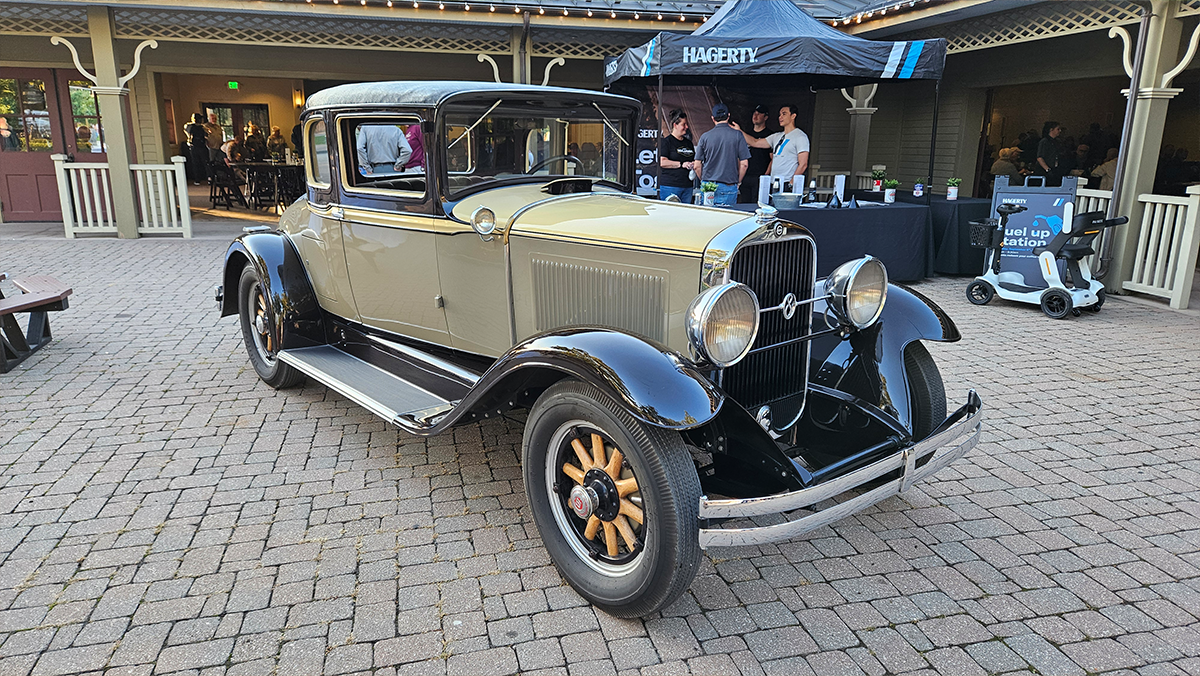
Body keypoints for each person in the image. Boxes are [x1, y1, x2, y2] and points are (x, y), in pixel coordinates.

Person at [736, 104, 809, 191]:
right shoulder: (776, 136)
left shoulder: (800, 136)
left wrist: (791, 183)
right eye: (779, 114)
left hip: (787, 182)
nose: (780, 117)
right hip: (773, 183)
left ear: (793, 116)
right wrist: (739, 131)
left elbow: (803, 164)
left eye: (784, 114)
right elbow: (755, 142)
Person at [693, 103, 749, 207]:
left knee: (707, 220)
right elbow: (744, 164)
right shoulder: (737, 135)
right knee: (727, 221)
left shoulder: (704, 137)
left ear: (713, 118)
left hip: (708, 186)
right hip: (728, 186)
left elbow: (697, 166)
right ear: (728, 116)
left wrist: (704, 181)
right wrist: (738, 182)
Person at [657, 109, 695, 203]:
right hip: (670, 186)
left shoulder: (689, 143)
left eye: (687, 124)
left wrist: (693, 164)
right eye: (683, 124)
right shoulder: (666, 142)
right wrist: (681, 164)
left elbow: (693, 160)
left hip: (687, 186)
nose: (686, 127)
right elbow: (662, 162)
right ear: (675, 125)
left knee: (685, 215)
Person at [738, 104, 773, 203]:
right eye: (754, 113)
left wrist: (765, 175)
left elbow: (773, 158)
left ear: (765, 117)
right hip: (745, 176)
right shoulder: (746, 135)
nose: (755, 115)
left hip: (760, 177)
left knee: (757, 204)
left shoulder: (770, 136)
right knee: (744, 204)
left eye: (759, 113)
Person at [1035, 121, 1063, 185]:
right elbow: (1039, 157)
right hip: (1044, 171)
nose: (1060, 131)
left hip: (1053, 169)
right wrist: (1047, 169)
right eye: (1058, 129)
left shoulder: (1056, 142)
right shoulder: (1044, 141)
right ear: (1051, 129)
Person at [184, 113, 209, 184]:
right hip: (195, 146)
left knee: (202, 163)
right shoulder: (190, 126)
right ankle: (200, 179)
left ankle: (206, 178)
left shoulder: (202, 127)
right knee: (198, 163)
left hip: (200, 146)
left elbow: (207, 134)